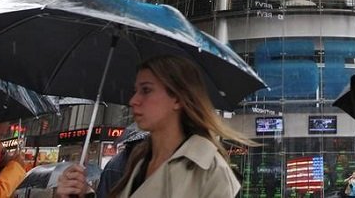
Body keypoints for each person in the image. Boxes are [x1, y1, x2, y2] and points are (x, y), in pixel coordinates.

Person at [55, 56, 253, 198]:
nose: (133, 100)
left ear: (177, 98)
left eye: (146, 90)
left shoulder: (210, 171)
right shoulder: (136, 161)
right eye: (135, 91)